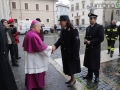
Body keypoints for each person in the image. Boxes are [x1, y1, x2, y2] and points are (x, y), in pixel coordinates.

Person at [23, 20, 53, 90]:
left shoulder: (29, 33)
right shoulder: (34, 35)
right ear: (35, 26)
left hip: (31, 58)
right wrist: (51, 48)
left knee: (31, 72)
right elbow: (41, 48)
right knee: (36, 71)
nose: (40, 28)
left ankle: (31, 85)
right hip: (35, 58)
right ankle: (37, 85)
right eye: (39, 26)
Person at [52, 15, 81, 87]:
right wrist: (55, 46)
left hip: (71, 53)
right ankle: (71, 79)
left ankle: (73, 80)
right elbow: (60, 40)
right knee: (68, 66)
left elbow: (76, 44)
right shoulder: (63, 30)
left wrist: (75, 55)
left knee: (72, 67)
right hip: (65, 53)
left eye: (61, 21)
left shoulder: (73, 30)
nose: (60, 23)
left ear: (66, 21)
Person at [83, 13, 104, 83]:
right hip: (89, 48)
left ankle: (97, 77)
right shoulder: (88, 28)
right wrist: (85, 40)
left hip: (95, 49)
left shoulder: (99, 27)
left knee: (95, 63)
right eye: (89, 18)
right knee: (89, 62)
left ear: (95, 19)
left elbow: (101, 38)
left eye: (91, 18)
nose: (90, 20)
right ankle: (89, 75)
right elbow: (86, 36)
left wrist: (91, 42)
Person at [0, 21, 18, 90]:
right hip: (6, 45)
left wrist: (15, 28)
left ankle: (14, 62)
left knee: (13, 54)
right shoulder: (3, 29)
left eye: (6, 22)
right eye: (4, 22)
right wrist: (5, 28)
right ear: (2, 23)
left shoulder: (9, 28)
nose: (6, 24)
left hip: (11, 43)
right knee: (6, 56)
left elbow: (14, 32)